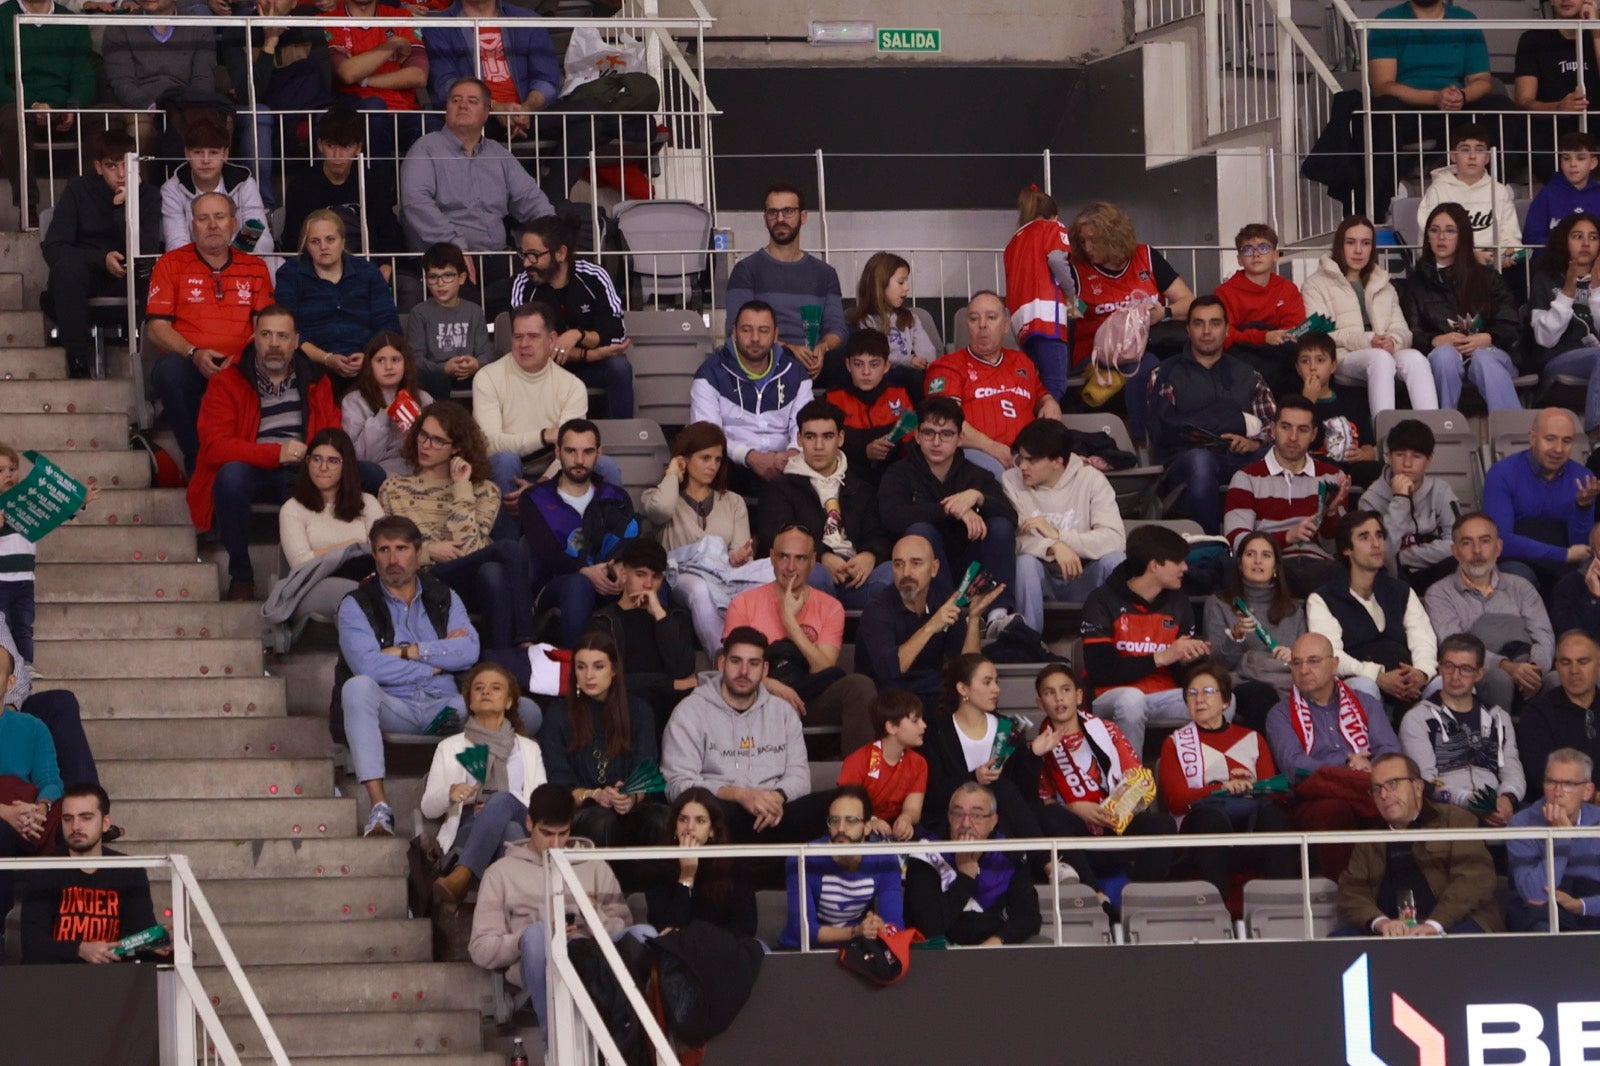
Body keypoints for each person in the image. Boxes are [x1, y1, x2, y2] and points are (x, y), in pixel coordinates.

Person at [337, 515, 484, 837]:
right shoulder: (357, 604)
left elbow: (469, 650)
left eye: (401, 548)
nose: (393, 559)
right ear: (374, 556)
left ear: (418, 553)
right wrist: (437, 662)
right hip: (395, 708)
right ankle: (379, 806)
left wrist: (409, 651)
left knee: (519, 709)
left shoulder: (444, 596)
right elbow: (368, 667)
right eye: (384, 550)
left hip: (446, 704)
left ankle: (481, 801)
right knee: (357, 687)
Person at [187, 305, 340, 601]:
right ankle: (241, 575)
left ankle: (348, 574)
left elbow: (333, 434)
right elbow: (215, 446)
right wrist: (276, 453)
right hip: (253, 469)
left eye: (282, 336)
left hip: (304, 469)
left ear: (296, 342)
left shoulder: (316, 380)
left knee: (369, 474)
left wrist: (317, 459)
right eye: (266, 335)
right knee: (231, 476)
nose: (274, 344)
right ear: (254, 338)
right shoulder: (227, 381)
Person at [467, 784, 637, 1043]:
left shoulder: (595, 866)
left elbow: (625, 928)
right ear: (529, 823)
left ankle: (633, 1042)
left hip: (592, 957)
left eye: (563, 833)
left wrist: (595, 918)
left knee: (644, 934)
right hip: (539, 963)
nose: (555, 844)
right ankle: (554, 1042)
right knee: (537, 933)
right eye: (546, 833)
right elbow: (480, 948)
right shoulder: (500, 873)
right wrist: (534, 935)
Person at [378, 401, 534, 651]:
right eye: (423, 435)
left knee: (493, 572)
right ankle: (526, 642)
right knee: (509, 549)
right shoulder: (394, 488)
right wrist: (430, 551)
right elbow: (386, 549)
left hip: (468, 578)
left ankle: (501, 656)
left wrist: (461, 487)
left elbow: (471, 550)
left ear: (457, 447)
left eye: (438, 441)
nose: (426, 445)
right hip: (424, 579)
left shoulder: (484, 490)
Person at [1010, 661, 1174, 897]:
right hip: (1076, 839)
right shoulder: (1038, 748)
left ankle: (1139, 897)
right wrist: (1075, 808)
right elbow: (1040, 806)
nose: (1059, 698)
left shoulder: (1107, 730)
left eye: (1065, 690)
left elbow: (1139, 780)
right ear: (1040, 703)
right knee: (1052, 815)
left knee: (1163, 825)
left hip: (1116, 827)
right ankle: (1095, 895)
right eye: (1049, 693)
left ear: (1078, 696)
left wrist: (1117, 808)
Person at [145, 192, 276, 473]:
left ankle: (252, 464)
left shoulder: (255, 267)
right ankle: (199, 463)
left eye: (220, 217)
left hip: (241, 364)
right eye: (203, 218)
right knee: (170, 371)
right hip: (189, 362)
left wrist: (239, 359)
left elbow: (264, 328)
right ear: (192, 225)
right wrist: (194, 353)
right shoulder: (170, 264)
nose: (213, 225)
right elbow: (156, 328)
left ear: (234, 223)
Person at [400, 76, 555, 309]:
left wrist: (552, 236)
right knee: (468, 306)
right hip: (444, 258)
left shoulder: (498, 154)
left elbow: (531, 199)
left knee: (540, 291)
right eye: (455, 100)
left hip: (497, 257)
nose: (463, 105)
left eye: (472, 101)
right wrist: (455, 244)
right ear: (446, 109)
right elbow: (415, 202)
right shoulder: (425, 148)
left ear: (486, 112)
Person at [877, 397, 1024, 641]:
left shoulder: (976, 475)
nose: (936, 442)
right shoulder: (899, 473)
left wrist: (977, 498)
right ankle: (943, 615)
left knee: (1000, 525)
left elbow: (1011, 517)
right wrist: (951, 509)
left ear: (960, 438)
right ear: (917, 436)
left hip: (972, 571)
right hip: (928, 575)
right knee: (920, 531)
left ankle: (997, 615)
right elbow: (892, 517)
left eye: (946, 434)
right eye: (928, 433)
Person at [722, 526, 876, 755]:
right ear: (771, 558)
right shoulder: (743, 603)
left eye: (800, 558)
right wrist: (772, 686)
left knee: (860, 686)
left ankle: (860, 775)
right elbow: (731, 668)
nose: (791, 567)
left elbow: (823, 668)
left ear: (813, 561)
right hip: (760, 697)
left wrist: (790, 621)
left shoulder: (830, 607)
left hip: (811, 696)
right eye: (783, 556)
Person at [660, 627, 822, 843]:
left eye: (753, 663)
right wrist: (739, 795)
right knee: (706, 813)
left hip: (775, 812)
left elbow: (800, 777)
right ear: (721, 664)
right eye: (736, 661)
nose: (744, 671)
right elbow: (677, 785)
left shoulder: (783, 712)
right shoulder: (689, 711)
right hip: (720, 813)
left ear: (765, 670)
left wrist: (775, 798)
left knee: (833, 805)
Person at [1265, 633, 1401, 879]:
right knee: (1335, 808)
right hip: (1317, 797)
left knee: (1391, 788)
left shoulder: (1366, 703)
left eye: (1313, 661)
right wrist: (1348, 764)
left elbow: (1390, 752)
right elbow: (1294, 766)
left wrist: (1369, 765)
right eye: (1296, 663)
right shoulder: (1280, 714)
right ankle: (1345, 890)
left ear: (1334, 664)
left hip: (1369, 783)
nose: (1304, 670)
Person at [1158, 660, 1295, 900]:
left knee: (1274, 815)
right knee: (1210, 818)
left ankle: (1282, 903)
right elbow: (1176, 800)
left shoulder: (1253, 738)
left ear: (1225, 701)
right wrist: (1219, 788)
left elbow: (1274, 793)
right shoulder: (1175, 743)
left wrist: (1253, 784)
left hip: (1249, 821)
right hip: (1202, 823)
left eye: (1208, 692)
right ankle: (1215, 908)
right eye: (1192, 693)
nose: (1199, 699)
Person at [1366, 0, 1516, 220]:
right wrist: (1435, 98)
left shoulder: (1465, 20)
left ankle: (1494, 192)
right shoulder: (1387, 20)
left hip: (1456, 107)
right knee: (1383, 110)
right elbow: (1383, 85)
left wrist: (1462, 96)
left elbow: (1482, 80)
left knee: (1500, 106)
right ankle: (1382, 207)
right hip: (1407, 107)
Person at [1066, 201, 1197, 440]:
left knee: (1170, 363)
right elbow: (1076, 312)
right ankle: (1142, 441)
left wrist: (1163, 313)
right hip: (1099, 354)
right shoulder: (1079, 270)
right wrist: (1080, 307)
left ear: (1112, 236)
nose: (1087, 247)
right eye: (1082, 241)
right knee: (1148, 366)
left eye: (1093, 240)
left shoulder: (1145, 257)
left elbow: (1189, 302)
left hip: (1149, 345)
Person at [1333, 752, 1503, 936]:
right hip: (1390, 931)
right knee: (1339, 940)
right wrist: (1380, 922)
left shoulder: (1456, 820)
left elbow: (1474, 880)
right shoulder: (1369, 840)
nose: (1384, 795)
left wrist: (1434, 925)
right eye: (1376, 788)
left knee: (1461, 939)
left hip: (1450, 923)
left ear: (1418, 787)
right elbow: (1351, 892)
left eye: (1393, 784)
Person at [1146, 295, 1274, 533]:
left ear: (1226, 330)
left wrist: (1255, 442)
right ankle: (1211, 544)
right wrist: (1236, 421)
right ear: (1188, 329)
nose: (1206, 331)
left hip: (1240, 456)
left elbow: (1273, 425)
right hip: (1185, 462)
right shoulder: (1164, 373)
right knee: (1201, 460)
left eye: (1215, 323)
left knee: (1279, 455)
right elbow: (1163, 430)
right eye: (1199, 323)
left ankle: (1273, 542)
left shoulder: (1248, 375)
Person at [41, 129, 161, 379]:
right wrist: (101, 259)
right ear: (98, 167)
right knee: (67, 269)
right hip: (85, 277)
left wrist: (125, 207)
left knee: (152, 270)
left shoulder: (148, 195)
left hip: (131, 277)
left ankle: (149, 365)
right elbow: (54, 246)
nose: (121, 174)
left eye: (126, 164)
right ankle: (77, 361)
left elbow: (146, 249)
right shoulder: (78, 190)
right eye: (111, 166)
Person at [1082, 523, 1210, 755]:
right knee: (1132, 700)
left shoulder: (1179, 602)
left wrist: (1188, 660)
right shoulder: (1101, 600)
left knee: (1222, 699)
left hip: (1164, 696)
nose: (1185, 567)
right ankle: (1132, 777)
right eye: (1178, 561)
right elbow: (1101, 669)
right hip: (1111, 696)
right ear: (1154, 565)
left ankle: (1199, 773)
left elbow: (1182, 672)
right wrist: (1162, 657)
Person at [753, 399, 893, 610]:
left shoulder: (860, 486)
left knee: (891, 573)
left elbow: (879, 533)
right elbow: (777, 535)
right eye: (810, 437)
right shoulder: (780, 488)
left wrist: (869, 555)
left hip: (855, 575)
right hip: (813, 571)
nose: (818, 446)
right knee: (813, 574)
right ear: (799, 439)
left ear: (840, 438)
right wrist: (822, 556)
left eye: (827, 436)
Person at [425, 662, 546, 905]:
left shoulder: (528, 749)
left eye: (495, 688)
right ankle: (519, 906)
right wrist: (449, 793)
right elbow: (428, 808)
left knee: (501, 800)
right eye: (479, 688)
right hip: (471, 824)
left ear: (509, 702)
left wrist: (496, 806)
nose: (486, 692)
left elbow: (541, 804)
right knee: (509, 830)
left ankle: (461, 874)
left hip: (523, 816)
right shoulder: (449, 747)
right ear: (470, 702)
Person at [536, 633, 666, 853]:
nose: (589, 675)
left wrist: (630, 795)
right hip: (581, 808)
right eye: (581, 667)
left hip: (631, 804)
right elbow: (558, 780)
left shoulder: (639, 711)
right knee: (603, 821)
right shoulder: (558, 714)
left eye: (598, 666)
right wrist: (594, 795)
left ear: (613, 669)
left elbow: (646, 768)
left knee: (661, 820)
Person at [1300, 215, 1436, 418]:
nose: (1358, 250)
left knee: (1416, 358)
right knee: (1380, 359)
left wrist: (1392, 342)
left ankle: (1433, 431)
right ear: (1339, 245)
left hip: (1382, 352)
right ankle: (1384, 433)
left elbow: (1403, 330)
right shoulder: (1316, 284)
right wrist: (1368, 340)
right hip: (1342, 357)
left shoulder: (1384, 284)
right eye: (1350, 242)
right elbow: (1321, 336)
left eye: (1365, 243)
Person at [522, 419, 640, 648]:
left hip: (610, 581)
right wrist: (585, 571)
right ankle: (580, 666)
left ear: (599, 453)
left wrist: (618, 568)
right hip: (555, 585)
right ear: (557, 452)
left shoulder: (616, 496)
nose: (579, 460)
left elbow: (628, 544)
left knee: (648, 581)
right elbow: (545, 552)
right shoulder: (535, 497)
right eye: (570, 451)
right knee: (579, 584)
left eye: (587, 452)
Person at [855, 534, 1004, 716]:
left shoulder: (942, 602)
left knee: (984, 703)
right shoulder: (877, 610)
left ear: (934, 568)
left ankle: (1004, 733)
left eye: (916, 563)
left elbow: (969, 669)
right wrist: (930, 627)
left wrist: (973, 619)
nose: (906, 573)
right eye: (898, 564)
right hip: (890, 703)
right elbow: (890, 670)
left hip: (933, 697)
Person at [640, 422, 754, 656]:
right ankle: (722, 658)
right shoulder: (657, 496)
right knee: (700, 589)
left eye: (718, 459)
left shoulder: (733, 501)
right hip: (680, 576)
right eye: (705, 458)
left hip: (724, 575)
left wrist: (738, 558)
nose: (713, 466)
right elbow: (661, 510)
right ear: (684, 459)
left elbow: (740, 555)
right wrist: (672, 473)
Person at [1002, 417, 1126, 630]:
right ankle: (1027, 640)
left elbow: (1115, 539)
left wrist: (1060, 536)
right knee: (1024, 564)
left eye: (1031, 460)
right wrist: (1054, 546)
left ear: (1057, 462)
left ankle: (1119, 639)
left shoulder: (1091, 479)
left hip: (1084, 575)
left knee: (1115, 561)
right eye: (1020, 458)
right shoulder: (1011, 480)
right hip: (1041, 576)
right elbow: (1016, 540)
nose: (1022, 466)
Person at [1422, 513, 1555, 712]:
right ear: (1455, 551)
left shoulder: (1521, 587)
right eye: (1467, 543)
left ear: (1498, 547)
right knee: (1498, 678)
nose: (1477, 551)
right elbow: (1454, 645)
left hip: (1528, 671)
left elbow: (1544, 635)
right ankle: (1495, 731)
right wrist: (1505, 666)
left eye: (1485, 541)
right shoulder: (1440, 593)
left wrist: (1534, 669)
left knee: (1559, 679)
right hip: (1478, 676)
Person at [1222, 394, 1352, 597]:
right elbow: (1238, 543)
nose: (1293, 437)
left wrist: (1331, 513)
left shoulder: (1333, 477)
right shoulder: (1246, 477)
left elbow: (1336, 548)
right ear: (1273, 430)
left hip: (1320, 567)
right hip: (1270, 567)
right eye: (1286, 427)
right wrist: (1287, 537)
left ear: (1314, 434)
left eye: (1302, 430)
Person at [1306, 511, 1437, 711]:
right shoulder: (1323, 599)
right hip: (1357, 681)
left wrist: (1421, 673)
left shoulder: (1401, 591)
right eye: (1364, 537)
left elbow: (1423, 638)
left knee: (1443, 683)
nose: (1376, 544)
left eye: (1379, 535)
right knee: (1365, 686)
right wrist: (1376, 676)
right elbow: (1331, 655)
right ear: (1346, 549)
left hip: (1408, 681)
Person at [924, 291, 1063, 478]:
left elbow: (1041, 395)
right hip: (978, 454)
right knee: (1001, 477)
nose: (982, 325)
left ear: (1005, 325)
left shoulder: (1022, 362)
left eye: (991, 317)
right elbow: (946, 421)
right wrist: (992, 447)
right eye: (974, 319)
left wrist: (1049, 401)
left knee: (1081, 472)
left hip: (1030, 452)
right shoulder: (947, 366)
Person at [506, 215, 633, 417]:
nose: (526, 263)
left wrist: (576, 335)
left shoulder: (594, 276)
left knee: (619, 367)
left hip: (593, 368)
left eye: (534, 255)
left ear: (561, 253)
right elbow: (530, 346)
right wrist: (589, 354)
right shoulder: (522, 285)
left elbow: (615, 336)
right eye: (524, 254)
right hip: (547, 369)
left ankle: (621, 434)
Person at [17, 784, 158, 964]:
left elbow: (142, 940)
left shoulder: (129, 870)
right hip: (55, 977)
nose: (75, 827)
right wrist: (80, 949)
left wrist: (159, 943)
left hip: (115, 976)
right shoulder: (42, 871)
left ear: (105, 823)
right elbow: (32, 946)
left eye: (86, 818)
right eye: (68, 819)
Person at [475, 301, 600, 504]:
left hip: (552, 472)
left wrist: (542, 487)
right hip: (506, 469)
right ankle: (511, 525)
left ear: (551, 340)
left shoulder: (572, 386)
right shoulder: (487, 377)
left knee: (603, 465)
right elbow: (489, 446)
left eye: (533, 336)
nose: (524, 344)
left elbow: (573, 449)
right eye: (518, 336)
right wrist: (544, 436)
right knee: (505, 460)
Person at [1406, 202, 1523, 414]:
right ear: (1427, 236)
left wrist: (1488, 338)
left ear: (1463, 236)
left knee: (1483, 357)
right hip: (1441, 358)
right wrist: (1435, 340)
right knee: (1444, 355)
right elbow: (1410, 332)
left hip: (1491, 352)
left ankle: (1511, 431)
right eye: (1435, 230)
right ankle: (1444, 427)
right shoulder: (1415, 283)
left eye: (1450, 231)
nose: (1441, 237)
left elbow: (1511, 323)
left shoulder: (1488, 278)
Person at [723, 183, 847, 382]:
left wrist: (822, 348)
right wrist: (789, 348)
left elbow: (837, 328)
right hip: (769, 357)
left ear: (803, 216)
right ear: (765, 219)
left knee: (856, 359)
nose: (780, 219)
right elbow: (736, 330)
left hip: (817, 360)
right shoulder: (746, 270)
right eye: (773, 212)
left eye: (788, 211)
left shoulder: (825, 273)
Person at [1400, 633, 1526, 826]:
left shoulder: (1498, 717)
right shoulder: (1417, 718)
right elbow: (1427, 780)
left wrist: (1508, 798)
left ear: (1479, 674)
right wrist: (1470, 801)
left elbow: (1511, 768)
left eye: (1465, 669)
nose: (1455, 676)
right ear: (1440, 668)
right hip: (1445, 812)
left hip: (1496, 806)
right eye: (1449, 666)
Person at [689, 299, 813, 492]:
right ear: (734, 333)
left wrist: (792, 454)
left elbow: (806, 426)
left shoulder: (795, 373)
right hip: (730, 467)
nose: (755, 338)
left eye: (763, 330)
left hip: (786, 465)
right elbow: (706, 435)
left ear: (775, 335)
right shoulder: (710, 373)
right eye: (746, 330)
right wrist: (750, 456)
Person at [581, 538, 697, 743]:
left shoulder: (674, 618)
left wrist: (659, 615)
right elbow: (608, 681)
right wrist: (670, 684)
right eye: (641, 574)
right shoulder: (602, 621)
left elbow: (683, 669)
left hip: (672, 713)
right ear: (624, 574)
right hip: (623, 714)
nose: (648, 584)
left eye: (656, 577)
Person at [921, 654, 1043, 843]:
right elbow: (933, 794)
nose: (996, 689)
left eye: (996, 682)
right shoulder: (936, 731)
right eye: (987, 682)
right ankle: (1046, 858)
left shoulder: (1009, 729)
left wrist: (1034, 755)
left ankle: (1046, 858)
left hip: (1003, 822)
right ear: (963, 688)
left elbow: (1025, 793)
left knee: (1007, 790)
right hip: (954, 822)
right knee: (999, 787)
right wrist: (974, 778)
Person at [905, 782, 1042, 946]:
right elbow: (928, 926)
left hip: (994, 950)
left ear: (993, 821)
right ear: (949, 817)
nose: (965, 824)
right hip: (941, 951)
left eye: (976, 815)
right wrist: (965, 877)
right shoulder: (926, 852)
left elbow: (1029, 917)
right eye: (958, 814)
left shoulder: (1009, 855)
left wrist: (998, 940)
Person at [274, 210, 401, 384]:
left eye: (330, 239)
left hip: (368, 364)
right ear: (305, 245)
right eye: (314, 241)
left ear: (343, 241)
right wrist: (326, 359)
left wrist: (370, 356)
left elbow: (388, 324)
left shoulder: (368, 272)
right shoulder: (290, 274)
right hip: (311, 366)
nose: (323, 247)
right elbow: (287, 330)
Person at [1481, 407, 1598, 593]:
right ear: (1532, 438)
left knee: (1585, 577)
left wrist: (1583, 507)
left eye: (1566, 441)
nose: (1558, 449)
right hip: (1519, 560)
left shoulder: (1583, 477)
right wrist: (1563, 554)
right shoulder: (1502, 474)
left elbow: (1582, 548)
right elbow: (1499, 540)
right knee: (1516, 578)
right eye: (1550, 439)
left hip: (1566, 565)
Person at [0, 0, 92, 227]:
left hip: (61, 106)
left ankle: (78, 206)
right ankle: (28, 207)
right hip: (17, 104)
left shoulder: (72, 22)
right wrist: (30, 106)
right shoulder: (2, 17)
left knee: (106, 120)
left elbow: (84, 75)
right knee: (12, 120)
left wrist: (71, 106)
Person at [777, 785, 904, 950]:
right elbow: (803, 930)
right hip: (802, 952)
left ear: (867, 827)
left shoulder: (885, 860)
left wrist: (880, 928)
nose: (841, 828)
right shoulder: (801, 859)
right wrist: (855, 931)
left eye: (851, 820)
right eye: (835, 821)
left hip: (856, 951)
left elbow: (894, 924)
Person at [274, 427, 383, 619]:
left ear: (346, 465)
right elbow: (301, 563)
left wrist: (323, 553)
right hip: (311, 586)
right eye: (316, 459)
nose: (323, 467)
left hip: (365, 580)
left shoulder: (368, 503)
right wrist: (351, 547)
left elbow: (381, 550)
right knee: (357, 595)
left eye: (332, 461)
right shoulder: (292, 508)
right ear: (307, 462)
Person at [1202, 531, 1306, 731]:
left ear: (1275, 567)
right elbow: (1217, 665)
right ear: (1240, 564)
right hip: (1242, 684)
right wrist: (1235, 637)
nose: (1258, 561)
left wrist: (1293, 656)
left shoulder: (1294, 610)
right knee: (1262, 696)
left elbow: (1307, 660)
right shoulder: (1219, 603)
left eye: (1266, 555)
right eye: (1250, 554)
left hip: (1286, 682)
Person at [280, 107, 405, 262]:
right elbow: (293, 242)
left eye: (346, 147)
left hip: (367, 266)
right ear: (320, 145)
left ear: (358, 147)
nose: (337, 156)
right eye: (331, 146)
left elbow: (390, 236)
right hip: (316, 267)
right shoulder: (301, 186)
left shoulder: (373, 182)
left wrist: (385, 266)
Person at [425, 0, 559, 141]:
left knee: (575, 115)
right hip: (476, 116)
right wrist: (494, 107)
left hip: (527, 115)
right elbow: (445, 84)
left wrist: (527, 109)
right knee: (441, 125)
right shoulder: (439, 26)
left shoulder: (527, 19)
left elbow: (546, 79)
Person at [1357, 418, 1460, 592]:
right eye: (1399, 454)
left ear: (1428, 460)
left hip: (1434, 570)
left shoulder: (1441, 490)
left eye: (1416, 456)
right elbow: (1382, 552)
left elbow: (1457, 543)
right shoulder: (1371, 499)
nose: (1407, 463)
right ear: (1389, 457)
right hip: (1392, 576)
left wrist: (1404, 556)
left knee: (1465, 560)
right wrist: (1400, 499)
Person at [322, 0, 426, 173]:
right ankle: (379, 187)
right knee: (374, 108)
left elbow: (419, 75)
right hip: (356, 111)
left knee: (434, 126)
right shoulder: (328, 20)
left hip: (403, 112)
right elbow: (347, 73)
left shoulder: (402, 17)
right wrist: (392, 43)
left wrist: (364, 79)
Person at [0, 642, 63, 927]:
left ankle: (57, 927)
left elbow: (50, 780)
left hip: (27, 816)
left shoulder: (32, 727)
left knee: (71, 825)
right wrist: (6, 813)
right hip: (6, 817)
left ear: (10, 681)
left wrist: (40, 808)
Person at [643, 787, 758, 938]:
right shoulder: (658, 865)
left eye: (700, 821)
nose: (690, 828)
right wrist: (686, 877)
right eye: (683, 820)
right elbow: (665, 929)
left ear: (712, 830)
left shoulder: (734, 865)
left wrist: (701, 939)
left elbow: (746, 928)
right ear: (675, 828)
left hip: (721, 948)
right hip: (676, 949)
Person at [1506, 747, 1600, 932]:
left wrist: (1581, 905)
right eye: (1551, 782)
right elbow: (1534, 894)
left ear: (1587, 791)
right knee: (1536, 919)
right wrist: (1560, 839)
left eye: (1568, 784)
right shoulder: (1522, 823)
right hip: (1544, 907)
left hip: (1591, 901)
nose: (1557, 792)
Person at [99, 0, 214, 150]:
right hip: (140, 106)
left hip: (185, 104)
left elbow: (203, 78)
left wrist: (189, 109)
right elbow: (122, 82)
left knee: (216, 126)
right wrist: (150, 107)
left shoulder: (199, 25)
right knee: (140, 129)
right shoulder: (119, 27)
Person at [159, 116, 274, 259]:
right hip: (193, 267)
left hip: (240, 264)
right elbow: (176, 244)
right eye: (198, 152)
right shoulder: (171, 190)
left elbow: (260, 237)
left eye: (213, 152)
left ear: (225, 154)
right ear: (187, 154)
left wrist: (226, 262)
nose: (205, 160)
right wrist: (208, 263)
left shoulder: (245, 183)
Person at [1530, 213, 1600, 440]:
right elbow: (1545, 339)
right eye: (1577, 236)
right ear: (1564, 241)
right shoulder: (1546, 278)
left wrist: (1597, 293)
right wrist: (1567, 294)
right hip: (1558, 359)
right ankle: (1596, 434)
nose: (1586, 243)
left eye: (1593, 237)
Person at [1002, 185, 1077, 398]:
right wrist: (1073, 295)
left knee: (1036, 385)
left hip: (1021, 321)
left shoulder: (1012, 243)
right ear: (1054, 215)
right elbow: (1056, 260)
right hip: (1048, 317)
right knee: (1055, 384)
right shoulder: (1053, 228)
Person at [1214, 223, 1307, 393]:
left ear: (1275, 255)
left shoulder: (1287, 288)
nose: (1256, 254)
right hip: (1242, 358)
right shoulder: (1224, 292)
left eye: (1263, 248)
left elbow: (1293, 329)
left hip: (1279, 354)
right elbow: (1225, 335)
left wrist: (1273, 337)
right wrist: (1263, 337)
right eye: (1248, 249)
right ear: (1239, 259)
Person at [1415, 124, 1523, 268]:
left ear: (1487, 157)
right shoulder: (1437, 190)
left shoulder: (1499, 191)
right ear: (1453, 156)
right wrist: (1471, 257)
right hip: (1449, 270)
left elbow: (1511, 238)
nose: (1472, 156)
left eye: (1479, 150)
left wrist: (1508, 252)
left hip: (1491, 269)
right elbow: (1427, 243)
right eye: (1465, 150)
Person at [824, 328, 916, 485]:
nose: (866, 372)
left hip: (894, 477)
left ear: (886, 366)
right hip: (846, 479)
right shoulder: (832, 398)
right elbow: (825, 449)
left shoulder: (899, 394)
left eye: (874, 364)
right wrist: (864, 451)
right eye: (858, 364)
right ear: (848, 365)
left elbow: (912, 445)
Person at [340, 333, 432, 489]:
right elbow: (361, 458)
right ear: (369, 366)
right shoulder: (354, 401)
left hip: (420, 472)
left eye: (395, 360)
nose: (389, 367)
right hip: (378, 476)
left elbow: (436, 449)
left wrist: (417, 424)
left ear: (406, 363)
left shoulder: (424, 399)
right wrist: (384, 416)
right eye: (380, 360)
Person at [406, 242, 493, 400]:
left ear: (461, 278)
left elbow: (485, 353)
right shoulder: (419, 313)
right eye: (433, 277)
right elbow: (415, 359)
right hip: (434, 378)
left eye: (447, 276)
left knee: (489, 377)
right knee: (434, 379)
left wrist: (476, 364)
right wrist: (443, 368)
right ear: (426, 279)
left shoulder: (474, 311)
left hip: (469, 374)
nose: (440, 283)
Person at [837, 690, 928, 841]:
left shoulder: (919, 763)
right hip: (861, 830)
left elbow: (913, 809)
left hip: (895, 831)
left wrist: (905, 819)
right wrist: (872, 820)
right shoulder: (858, 761)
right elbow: (846, 807)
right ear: (891, 727)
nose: (923, 726)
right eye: (915, 720)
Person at [1518, 629, 1600, 786]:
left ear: (1598, 665)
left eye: (1583, 662)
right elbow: (1542, 777)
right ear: (1556, 667)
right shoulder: (1537, 715)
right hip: (1560, 799)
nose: (1574, 671)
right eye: (1565, 662)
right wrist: (1593, 796)